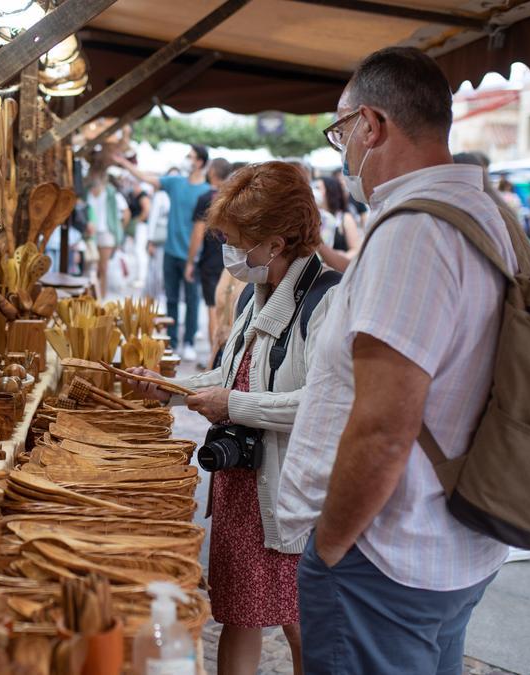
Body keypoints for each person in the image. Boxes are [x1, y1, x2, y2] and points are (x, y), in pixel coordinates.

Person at [277, 47, 514, 674]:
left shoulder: (412, 231)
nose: (343, 152)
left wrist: (329, 547)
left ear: (371, 126)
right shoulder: (485, 215)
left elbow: (383, 430)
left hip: (384, 557)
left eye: (340, 131)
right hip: (449, 544)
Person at [121, 162, 334, 675]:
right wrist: (165, 388)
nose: (231, 255)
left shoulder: (328, 300)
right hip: (241, 485)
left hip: (290, 493)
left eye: (238, 242)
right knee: (239, 613)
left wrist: (233, 407)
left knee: (303, 624)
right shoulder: (252, 291)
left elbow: (323, 405)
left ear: (277, 244)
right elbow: (231, 373)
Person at [116, 146, 212, 362]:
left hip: (193, 254)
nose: (187, 160)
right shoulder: (175, 183)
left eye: (191, 157)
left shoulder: (206, 191)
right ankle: (172, 342)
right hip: (170, 251)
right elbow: (147, 178)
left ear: (199, 162)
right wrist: (125, 163)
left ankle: (188, 341)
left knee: (192, 300)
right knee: (170, 299)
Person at [185, 158, 232, 366]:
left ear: (212, 171)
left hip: (210, 261)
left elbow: (197, 234)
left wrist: (190, 261)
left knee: (213, 307)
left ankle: (215, 360)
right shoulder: (233, 197)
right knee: (229, 307)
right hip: (233, 258)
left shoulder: (206, 198)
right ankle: (225, 358)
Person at [84, 173, 129, 297]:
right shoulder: (87, 192)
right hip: (90, 233)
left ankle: (101, 296)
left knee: (103, 267)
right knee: (91, 267)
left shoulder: (112, 193)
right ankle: (91, 296)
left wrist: (118, 229)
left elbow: (126, 214)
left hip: (106, 233)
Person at [314, 176, 362, 272]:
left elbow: (356, 250)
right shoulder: (315, 218)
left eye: (319, 188)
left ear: (330, 191)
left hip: (338, 273)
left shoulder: (345, 218)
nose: (315, 192)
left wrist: (336, 257)